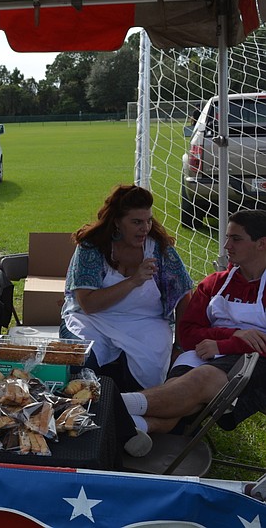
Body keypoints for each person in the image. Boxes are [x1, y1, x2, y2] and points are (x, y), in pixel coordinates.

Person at [122, 210, 266, 438]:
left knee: (201, 379)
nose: (227, 245)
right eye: (227, 237)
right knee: (178, 394)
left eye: (236, 239)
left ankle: (112, 407)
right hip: (203, 352)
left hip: (254, 366)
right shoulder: (215, 283)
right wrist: (234, 334)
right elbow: (188, 334)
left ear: (261, 244)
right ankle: (133, 429)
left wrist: (224, 346)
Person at [61, 185, 194, 391]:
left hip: (146, 322)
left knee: (146, 372)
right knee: (82, 361)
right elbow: (88, 304)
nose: (145, 228)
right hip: (92, 321)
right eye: (136, 222)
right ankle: (85, 414)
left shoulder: (158, 249)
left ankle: (135, 416)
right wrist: (133, 281)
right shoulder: (93, 247)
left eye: (148, 220)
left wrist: (180, 346)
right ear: (116, 222)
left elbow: (185, 296)